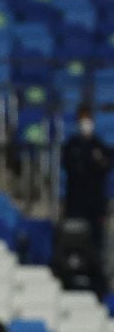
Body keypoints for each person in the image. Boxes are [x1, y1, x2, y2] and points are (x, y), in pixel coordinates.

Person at [61, 105, 111, 255]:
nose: (85, 123)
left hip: (95, 202)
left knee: (97, 239)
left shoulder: (98, 144)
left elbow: (106, 164)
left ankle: (97, 265)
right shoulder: (72, 145)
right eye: (83, 119)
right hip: (76, 202)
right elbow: (69, 165)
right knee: (76, 238)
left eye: (88, 119)